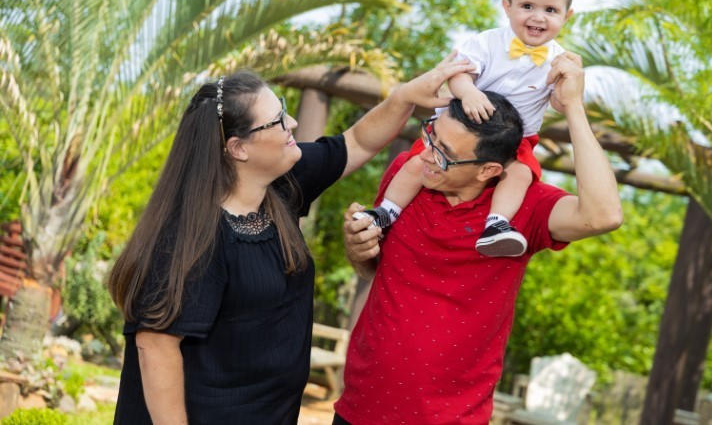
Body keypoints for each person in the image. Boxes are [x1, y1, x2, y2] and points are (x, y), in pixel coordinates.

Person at [107, 55, 474, 425]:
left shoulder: (283, 185)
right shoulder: (190, 235)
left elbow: (357, 142)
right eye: (277, 119)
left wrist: (405, 96)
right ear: (238, 148)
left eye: (283, 108)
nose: (292, 122)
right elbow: (155, 346)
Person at [334, 56, 623, 424]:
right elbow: (371, 268)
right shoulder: (407, 176)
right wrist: (358, 249)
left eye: (445, 154)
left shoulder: (526, 207)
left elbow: (604, 215)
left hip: (452, 418)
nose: (427, 156)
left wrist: (574, 109)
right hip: (359, 406)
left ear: (488, 170)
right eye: (431, 136)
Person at [359, 0, 575, 257]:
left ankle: (496, 224)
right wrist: (469, 92)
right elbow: (458, 74)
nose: (538, 17)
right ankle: (386, 211)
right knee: (417, 162)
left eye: (550, 10)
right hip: (460, 129)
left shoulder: (559, 60)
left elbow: (557, 101)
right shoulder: (486, 42)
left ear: (567, 16)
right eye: (527, 6)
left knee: (520, 174)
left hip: (517, 139)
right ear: (507, 7)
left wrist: (565, 96)